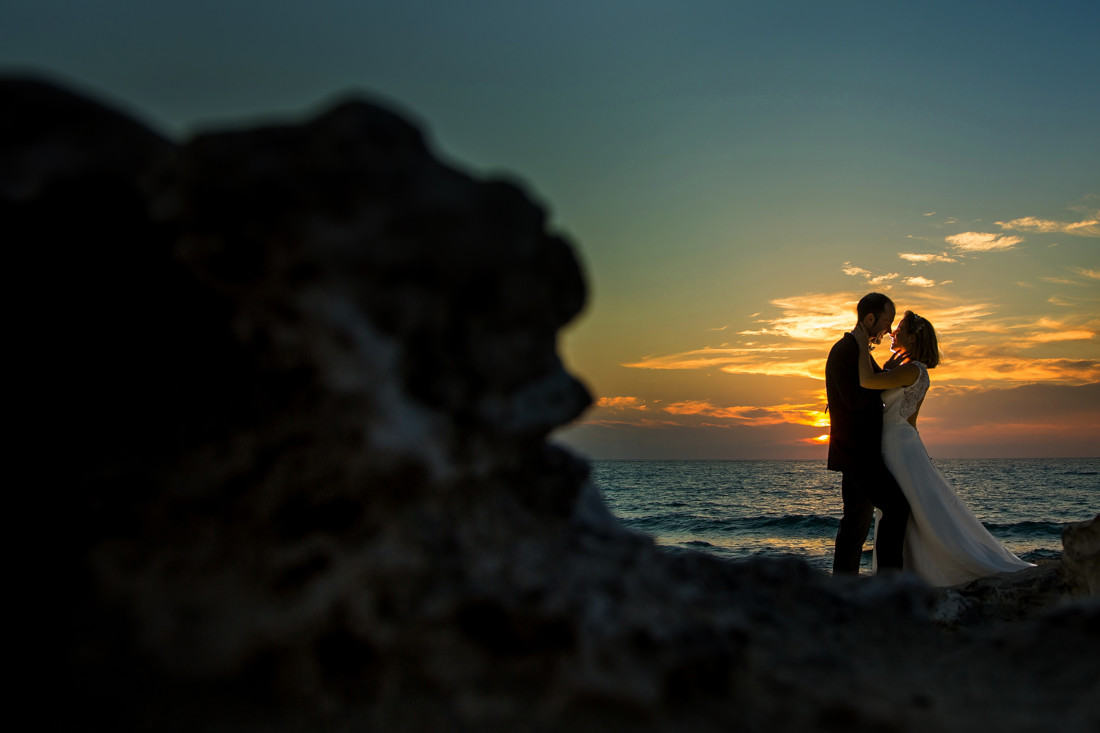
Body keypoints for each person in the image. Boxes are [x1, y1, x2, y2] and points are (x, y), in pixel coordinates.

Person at [853, 310, 1034, 586]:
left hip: (898, 447)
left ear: (913, 338)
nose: (892, 332)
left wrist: (860, 344)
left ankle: (926, 571)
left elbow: (866, 382)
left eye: (899, 328)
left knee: (909, 508)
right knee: (909, 508)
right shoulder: (906, 368)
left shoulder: (912, 370)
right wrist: (886, 366)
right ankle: (908, 571)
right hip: (900, 443)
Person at [826, 293, 911, 575]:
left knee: (856, 523)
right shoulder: (847, 351)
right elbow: (855, 400)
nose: (888, 331)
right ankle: (888, 581)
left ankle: (844, 587)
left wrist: (886, 372)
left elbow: (874, 386)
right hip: (858, 453)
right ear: (870, 318)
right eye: (886, 323)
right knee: (896, 509)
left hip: (860, 452)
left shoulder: (857, 350)